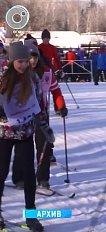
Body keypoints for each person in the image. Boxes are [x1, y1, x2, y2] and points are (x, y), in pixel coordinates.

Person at [0, 41, 55, 232]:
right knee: (1, 172)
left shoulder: (33, 80)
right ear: (12, 61)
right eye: (19, 61)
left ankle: (31, 215)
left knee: (29, 174)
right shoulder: (3, 79)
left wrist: (45, 127)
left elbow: (38, 105)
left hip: (25, 132)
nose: (24, 65)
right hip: (5, 133)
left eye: (26, 61)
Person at [11, 40, 68, 190]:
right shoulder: (20, 73)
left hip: (41, 114)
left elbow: (56, 90)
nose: (33, 60)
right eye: (30, 57)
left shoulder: (47, 72)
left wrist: (60, 105)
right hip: (24, 115)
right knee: (22, 147)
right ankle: (19, 178)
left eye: (35, 56)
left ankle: (43, 178)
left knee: (45, 145)